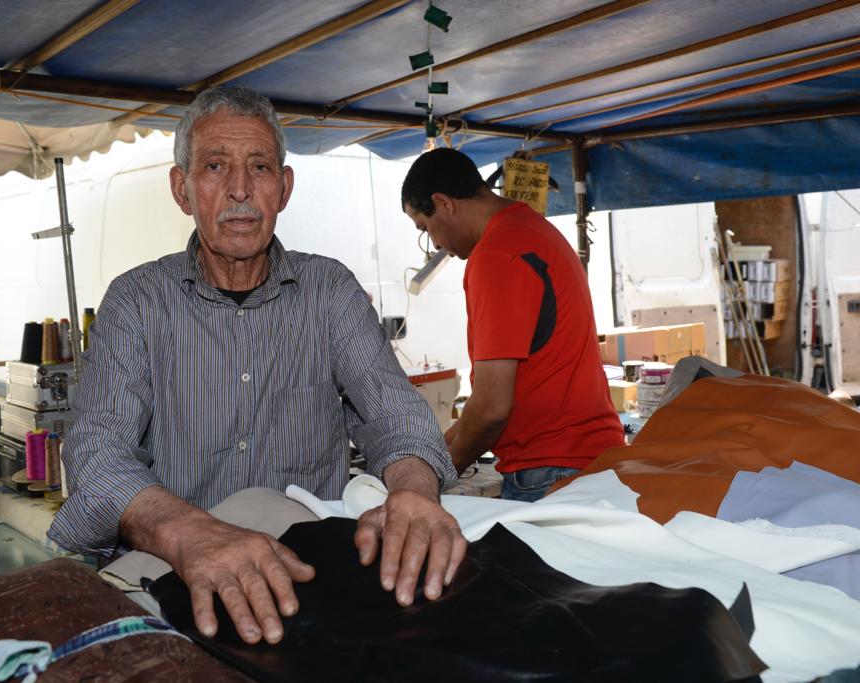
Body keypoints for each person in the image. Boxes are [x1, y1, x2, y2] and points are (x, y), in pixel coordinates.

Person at [48, 86, 465, 646]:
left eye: (260, 167)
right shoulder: (136, 301)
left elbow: (392, 413)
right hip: (180, 572)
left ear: (284, 188)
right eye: (215, 166)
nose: (240, 190)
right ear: (182, 188)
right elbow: (97, 456)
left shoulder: (330, 291)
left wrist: (414, 490)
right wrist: (192, 533)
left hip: (309, 579)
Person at [401, 148, 624, 502]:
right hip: (586, 461)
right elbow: (510, 391)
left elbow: (491, 408)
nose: (436, 245)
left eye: (425, 228)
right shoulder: (532, 229)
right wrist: (437, 450)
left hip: (550, 468)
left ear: (443, 203)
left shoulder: (496, 255)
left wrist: (436, 480)